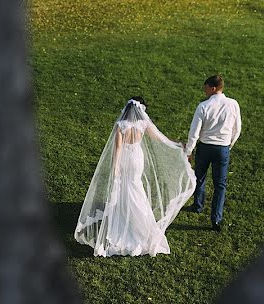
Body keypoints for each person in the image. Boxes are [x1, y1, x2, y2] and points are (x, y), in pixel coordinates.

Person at [75, 97, 195, 257]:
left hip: (125, 158)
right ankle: (142, 224)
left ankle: (127, 216)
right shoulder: (143, 124)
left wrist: (116, 166)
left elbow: (118, 147)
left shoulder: (121, 126)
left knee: (125, 188)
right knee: (136, 187)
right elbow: (159, 138)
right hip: (137, 159)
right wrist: (177, 144)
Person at [184, 75, 242, 231]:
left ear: (213, 88)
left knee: (200, 177)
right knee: (220, 185)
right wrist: (229, 144)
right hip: (222, 148)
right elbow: (237, 129)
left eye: (206, 87)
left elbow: (194, 132)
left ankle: (198, 205)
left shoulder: (203, 106)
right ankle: (216, 218)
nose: (205, 90)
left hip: (205, 147)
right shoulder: (233, 104)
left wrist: (189, 151)